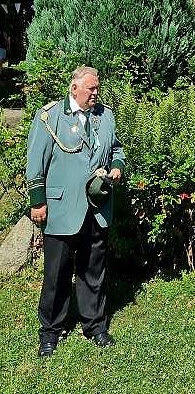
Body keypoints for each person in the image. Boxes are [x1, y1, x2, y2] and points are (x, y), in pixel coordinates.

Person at [26, 66, 126, 357]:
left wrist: (118, 166)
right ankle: (50, 331)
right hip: (61, 208)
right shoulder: (50, 116)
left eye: (97, 88)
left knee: (93, 271)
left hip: (97, 207)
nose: (96, 93)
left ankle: (94, 325)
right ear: (74, 89)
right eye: (91, 89)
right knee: (56, 274)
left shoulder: (105, 115)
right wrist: (37, 201)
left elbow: (116, 149)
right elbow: (36, 161)